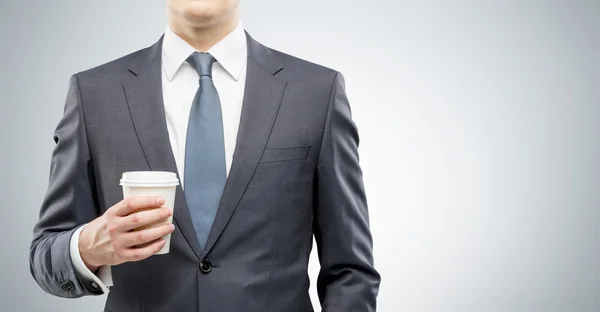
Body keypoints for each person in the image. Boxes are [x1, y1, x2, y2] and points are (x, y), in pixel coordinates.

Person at [29, 0, 380, 310]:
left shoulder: (317, 92)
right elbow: (45, 252)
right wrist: (87, 247)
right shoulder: (94, 94)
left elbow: (351, 271)